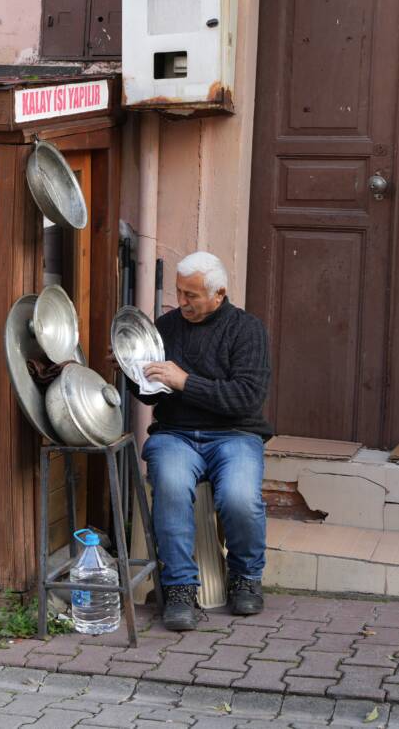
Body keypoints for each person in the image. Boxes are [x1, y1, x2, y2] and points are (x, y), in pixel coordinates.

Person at [126, 251, 271, 631]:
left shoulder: (248, 330)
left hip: (236, 434)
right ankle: (178, 589)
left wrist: (184, 380)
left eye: (191, 295)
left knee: (240, 497)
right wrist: (132, 371)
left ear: (219, 293)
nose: (182, 302)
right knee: (171, 488)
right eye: (178, 292)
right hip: (175, 435)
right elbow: (153, 396)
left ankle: (245, 578)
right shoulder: (166, 327)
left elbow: (245, 398)